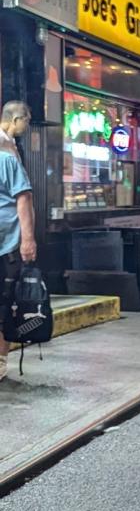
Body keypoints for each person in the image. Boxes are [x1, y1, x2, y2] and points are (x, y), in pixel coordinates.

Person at [0, 101, 36, 382]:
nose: (27, 127)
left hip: (7, 244)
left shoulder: (7, 157)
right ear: (17, 119)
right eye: (27, 121)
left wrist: (27, 240)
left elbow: (23, 198)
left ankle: (0, 359)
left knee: (5, 303)